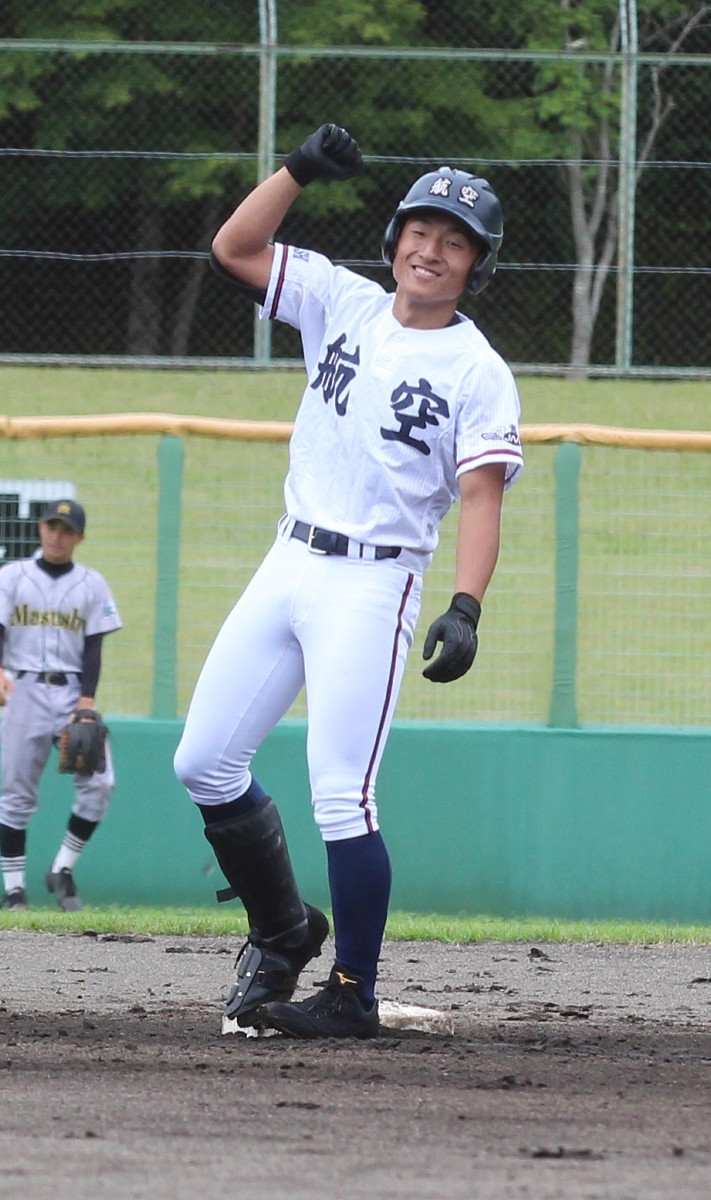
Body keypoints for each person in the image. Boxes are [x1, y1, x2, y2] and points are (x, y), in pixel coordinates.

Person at [174, 124, 523, 1039]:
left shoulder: (477, 371)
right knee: (202, 761)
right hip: (288, 556)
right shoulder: (342, 302)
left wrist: (465, 604)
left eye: (455, 241)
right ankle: (284, 927)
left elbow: (481, 498)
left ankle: (353, 993)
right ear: (395, 240)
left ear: (475, 264)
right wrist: (295, 170)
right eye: (420, 230)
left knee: (342, 792)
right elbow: (233, 248)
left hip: (374, 585)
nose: (431, 250)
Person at [0, 498, 122, 912]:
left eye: (67, 530)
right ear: (40, 528)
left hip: (70, 693)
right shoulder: (12, 577)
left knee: (100, 784)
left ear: (80, 538)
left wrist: (86, 701)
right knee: (16, 794)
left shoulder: (92, 584)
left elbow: (93, 646)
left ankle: (62, 869)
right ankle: (14, 889)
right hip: (21, 690)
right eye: (53, 526)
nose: (58, 535)